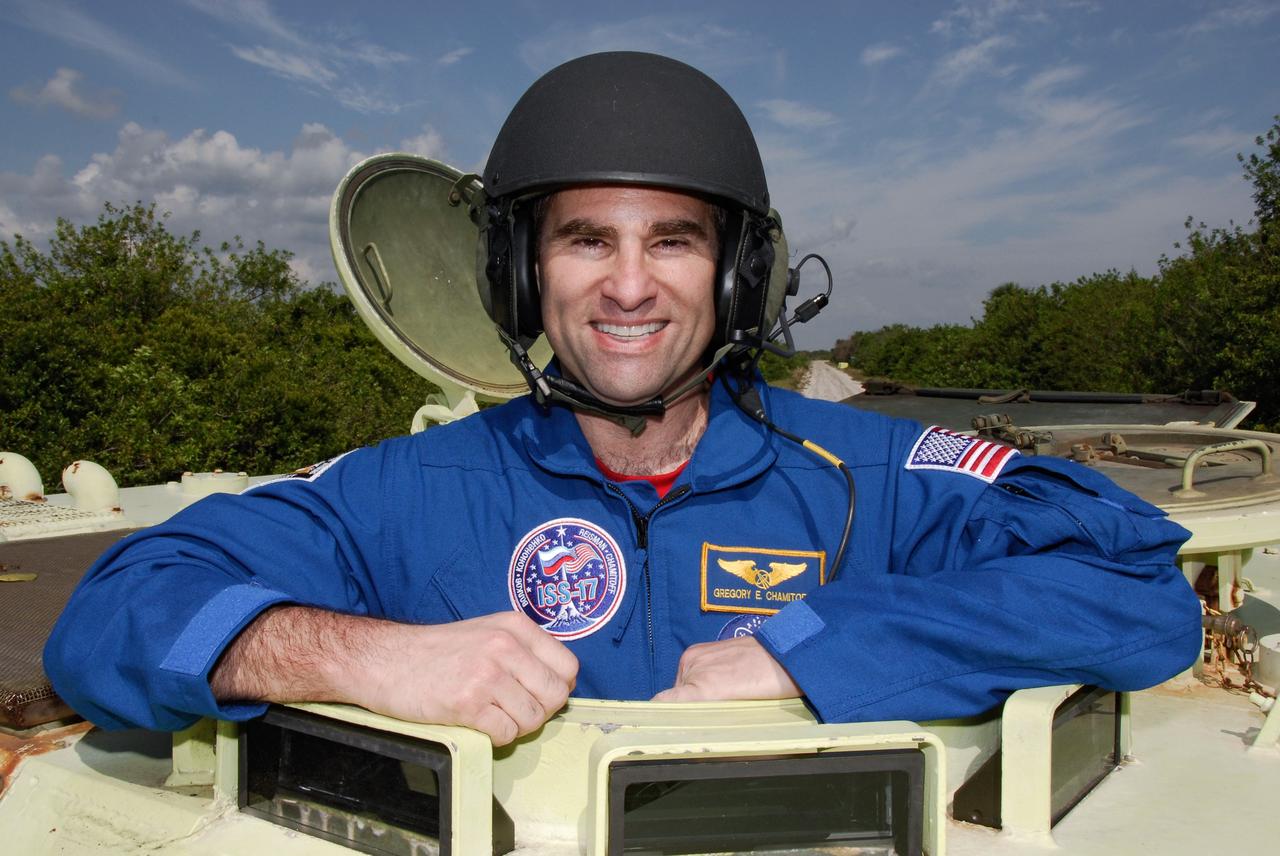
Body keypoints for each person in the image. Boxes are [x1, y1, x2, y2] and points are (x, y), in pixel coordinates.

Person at [45, 52, 1202, 747]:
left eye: (676, 241)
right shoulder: (401, 492)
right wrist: (351, 654)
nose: (631, 284)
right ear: (517, 274)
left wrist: (813, 646)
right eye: (586, 238)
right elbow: (109, 617)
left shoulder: (876, 475)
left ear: (739, 274)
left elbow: (1135, 587)